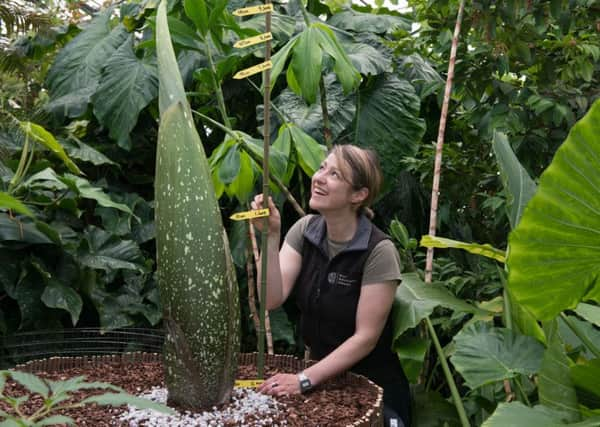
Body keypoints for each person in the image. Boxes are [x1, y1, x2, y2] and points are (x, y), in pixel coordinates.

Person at [252, 144, 411, 427]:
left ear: (358, 195)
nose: (319, 177)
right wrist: (270, 236)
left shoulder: (379, 251)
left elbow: (366, 338)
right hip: (322, 382)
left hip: (375, 387)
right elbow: (271, 299)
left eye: (335, 174)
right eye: (322, 167)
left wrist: (302, 380)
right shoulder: (304, 230)